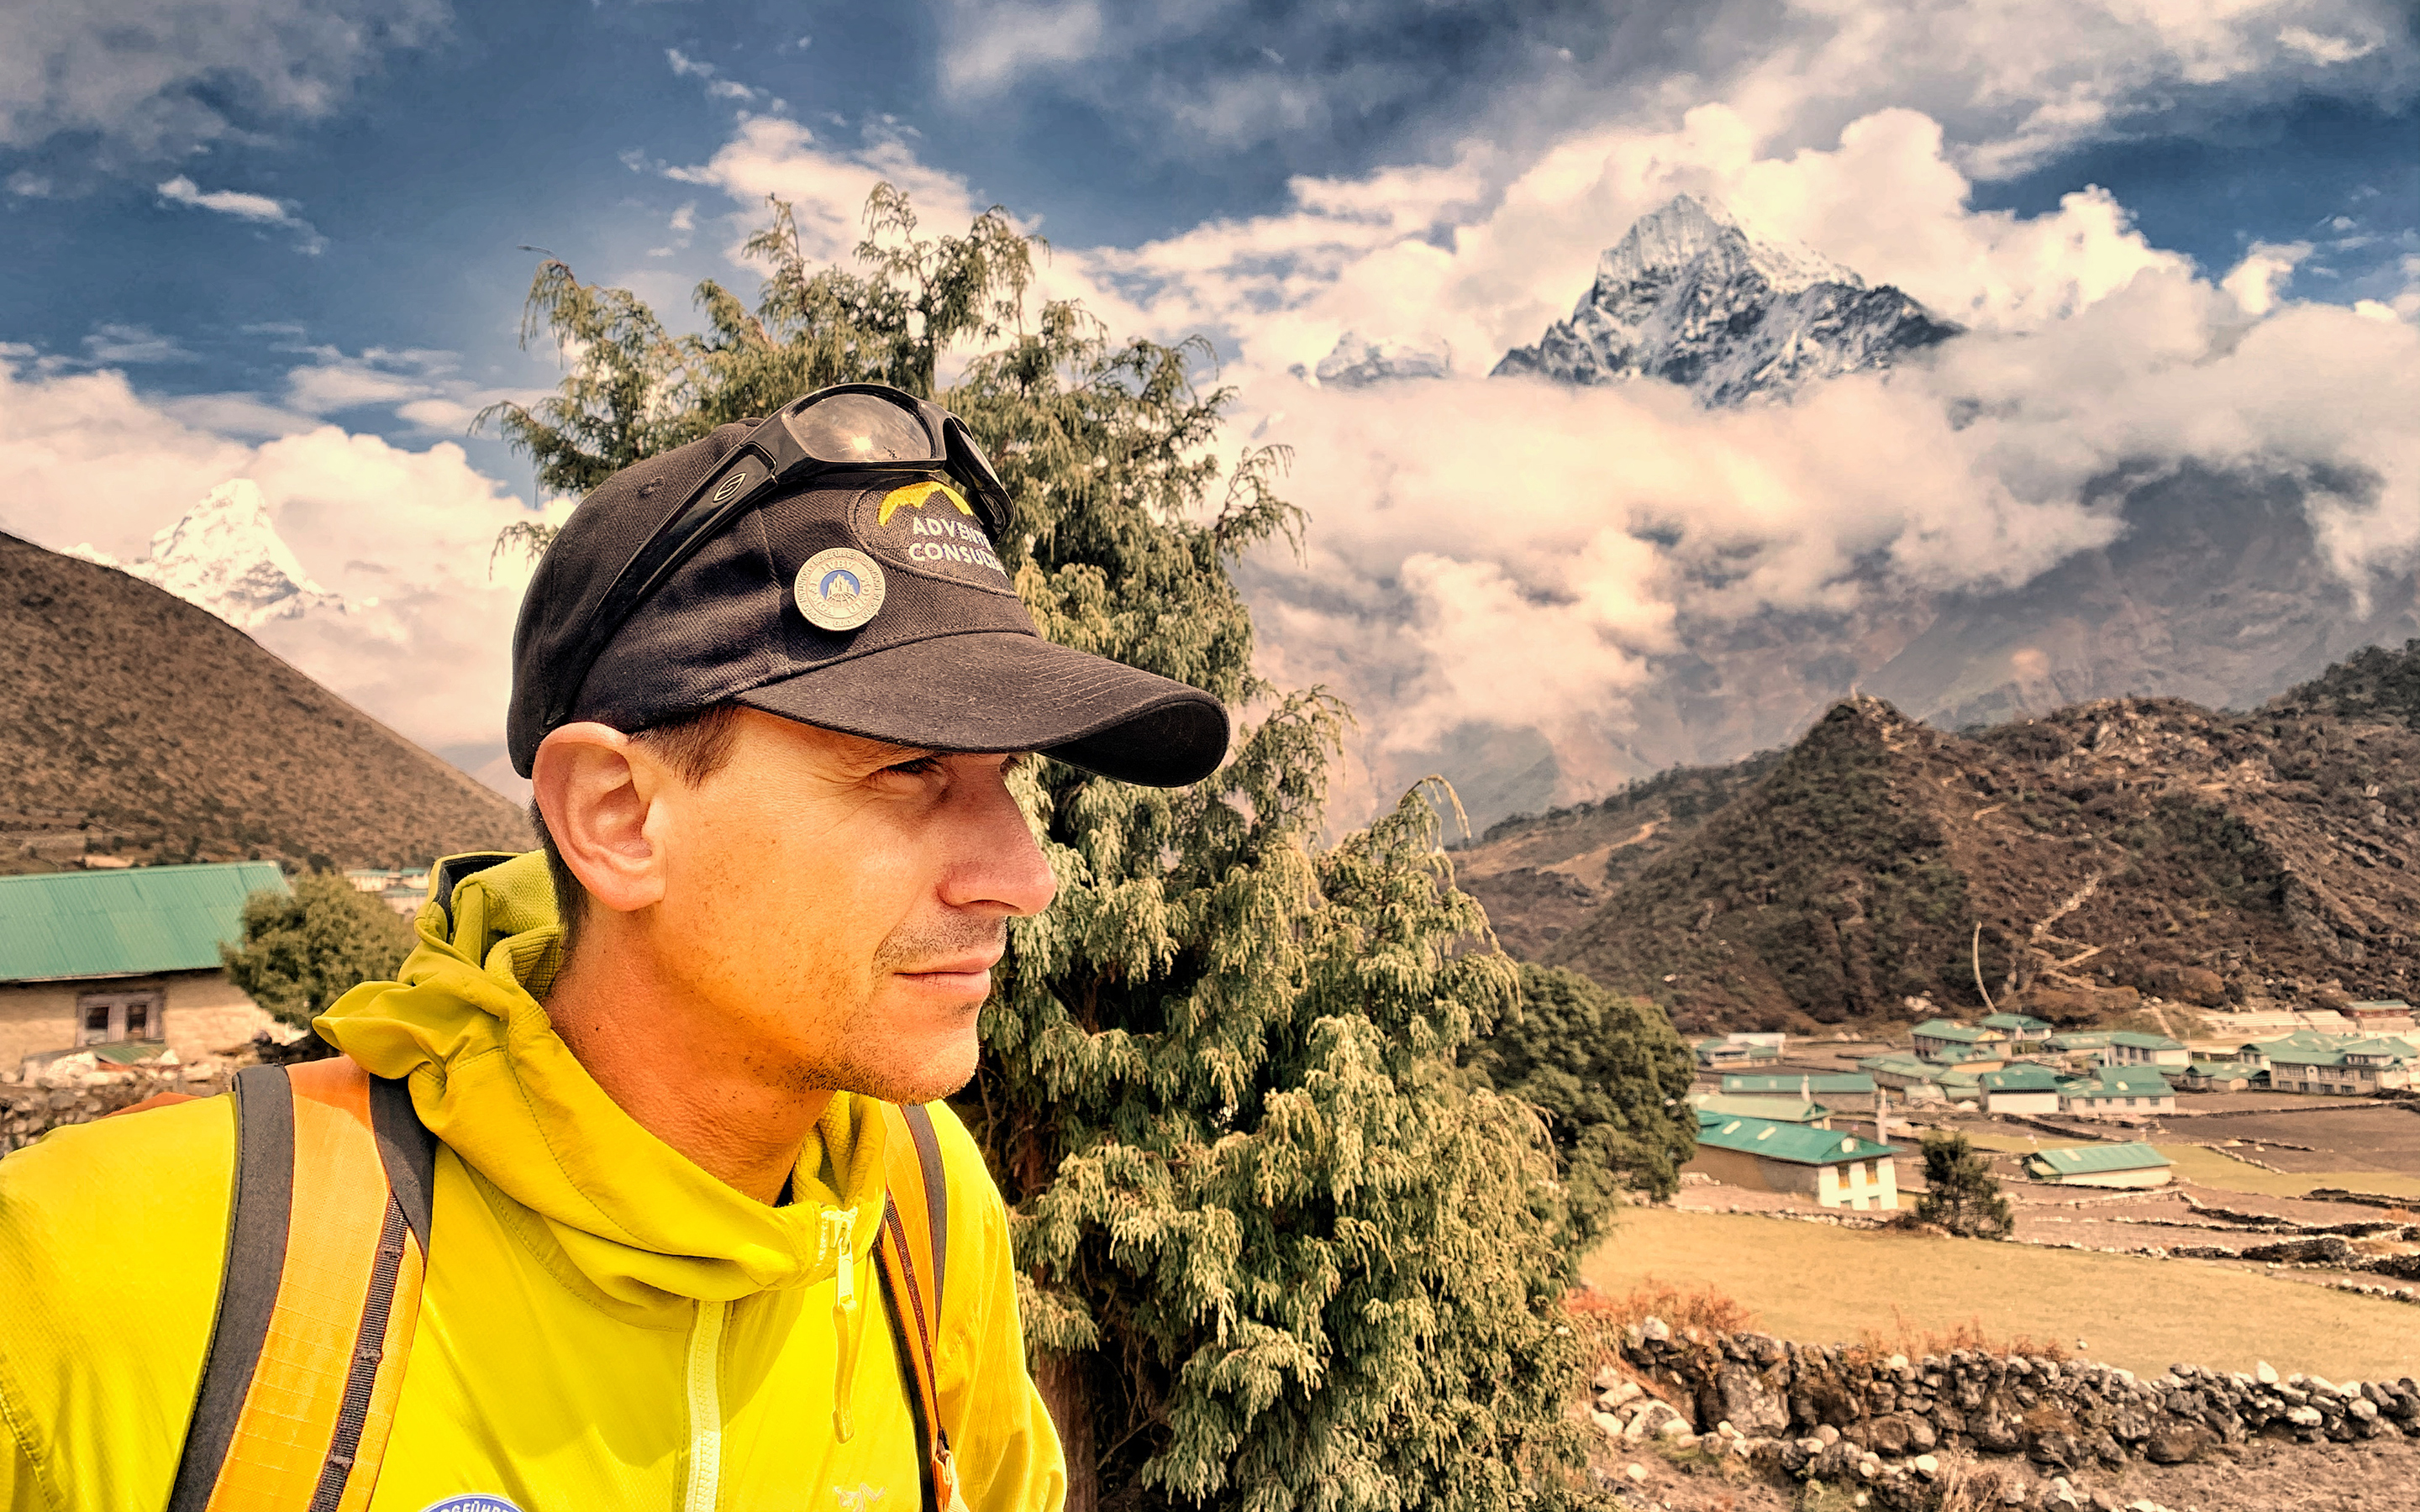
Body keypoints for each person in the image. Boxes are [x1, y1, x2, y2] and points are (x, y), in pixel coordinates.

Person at [0, 385, 1230, 1511]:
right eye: (908, 772)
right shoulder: (92, 1271)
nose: (1025, 877)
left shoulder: (915, 1204)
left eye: (1005, 782)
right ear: (619, 817)